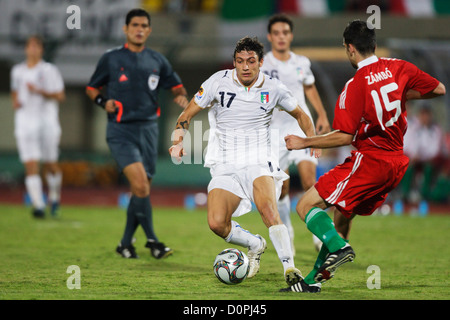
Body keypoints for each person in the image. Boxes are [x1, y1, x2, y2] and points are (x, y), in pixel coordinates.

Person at [280, 20, 445, 293]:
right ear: (375, 46)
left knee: (304, 205)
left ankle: (339, 247)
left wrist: (304, 141)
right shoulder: (399, 67)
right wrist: (400, 96)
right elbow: (439, 89)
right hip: (396, 163)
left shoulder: (355, 85)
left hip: (371, 160)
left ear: (350, 48)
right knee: (343, 215)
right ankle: (312, 281)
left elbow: (345, 136)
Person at [169, 36, 318, 285]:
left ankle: (290, 269)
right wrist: (177, 141)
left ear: (261, 62)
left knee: (268, 210)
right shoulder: (217, 82)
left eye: (251, 61)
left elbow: (301, 114)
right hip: (226, 162)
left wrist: (312, 141)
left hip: (259, 159)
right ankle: (254, 243)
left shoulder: (274, 88)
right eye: (240, 61)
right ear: (234, 63)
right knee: (216, 223)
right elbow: (188, 113)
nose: (245, 66)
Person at [86, 8, 189, 259]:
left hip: (149, 131)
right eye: (134, 25)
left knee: (140, 190)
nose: (139, 29)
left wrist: (181, 97)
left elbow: (177, 87)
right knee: (141, 185)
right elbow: (91, 87)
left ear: (149, 30)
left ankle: (124, 244)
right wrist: (102, 101)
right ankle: (153, 241)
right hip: (121, 131)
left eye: (144, 25)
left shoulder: (157, 60)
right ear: (126, 29)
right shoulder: (111, 58)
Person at [261, 14, 331, 252]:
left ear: (291, 35)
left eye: (285, 32)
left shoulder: (301, 62)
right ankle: (288, 229)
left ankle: (318, 234)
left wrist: (321, 114)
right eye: (277, 33)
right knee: (282, 189)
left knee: (310, 181)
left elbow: (309, 88)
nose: (281, 37)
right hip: (274, 132)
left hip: (302, 129)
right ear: (270, 37)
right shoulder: (262, 64)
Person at [10, 35, 65, 219]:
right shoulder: (17, 71)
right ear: (26, 49)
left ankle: (55, 196)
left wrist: (40, 91)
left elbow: (60, 96)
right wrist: (16, 102)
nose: (33, 49)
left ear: (41, 49)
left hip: (47, 121)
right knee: (31, 163)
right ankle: (38, 205)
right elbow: (15, 92)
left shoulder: (49, 70)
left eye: (36, 46)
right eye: (30, 46)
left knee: (50, 164)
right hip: (25, 122)